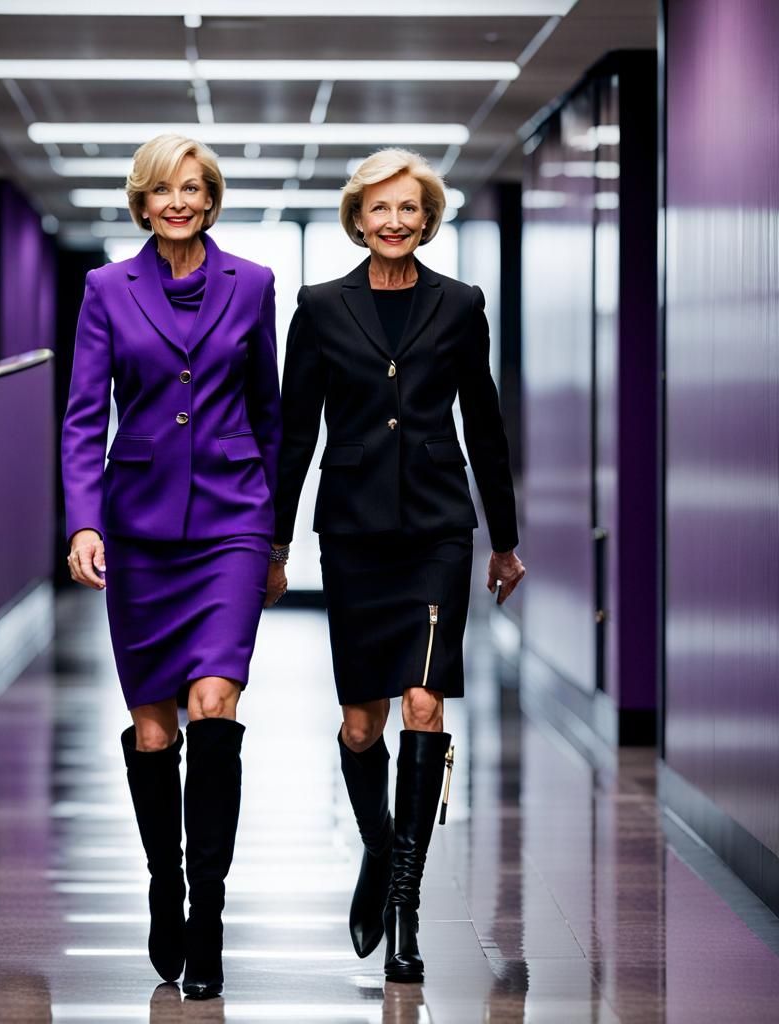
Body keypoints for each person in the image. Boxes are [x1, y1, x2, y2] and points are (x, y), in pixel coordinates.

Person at [270, 149, 525, 983]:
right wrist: (276, 543)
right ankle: (380, 850)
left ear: (427, 218)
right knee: (361, 722)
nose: (393, 221)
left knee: (423, 703)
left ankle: (406, 908)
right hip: (352, 531)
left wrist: (504, 538)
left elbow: (483, 422)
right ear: (357, 218)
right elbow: (296, 431)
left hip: (437, 528)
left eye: (408, 208)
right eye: (378, 208)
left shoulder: (459, 304)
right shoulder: (319, 307)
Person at [61, 134, 282, 999]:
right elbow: (85, 417)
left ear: (211, 199)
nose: (180, 202)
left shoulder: (253, 284)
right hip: (141, 529)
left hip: (232, 520)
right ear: (143, 203)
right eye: (164, 190)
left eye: (194, 188)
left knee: (215, 703)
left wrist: (274, 537)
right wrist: (85, 523)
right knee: (155, 730)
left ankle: (211, 909)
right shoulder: (106, 289)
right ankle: (167, 881)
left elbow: (267, 412)